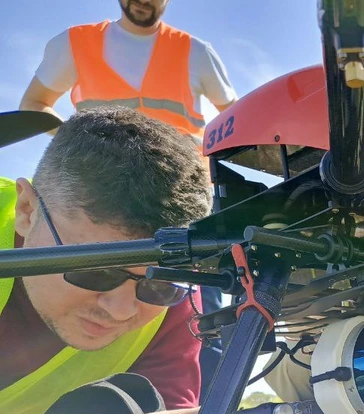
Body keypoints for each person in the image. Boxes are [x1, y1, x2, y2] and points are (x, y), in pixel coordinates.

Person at [0, 107, 267, 414]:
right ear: (28, 210)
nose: (122, 310)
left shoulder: (176, 302)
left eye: (158, 285)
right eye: (95, 269)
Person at [20, 0, 241, 390]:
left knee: (202, 315)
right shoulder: (74, 44)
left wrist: (192, 171)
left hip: (178, 209)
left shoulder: (196, 53)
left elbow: (233, 119)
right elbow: (35, 103)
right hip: (98, 203)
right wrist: (85, 151)